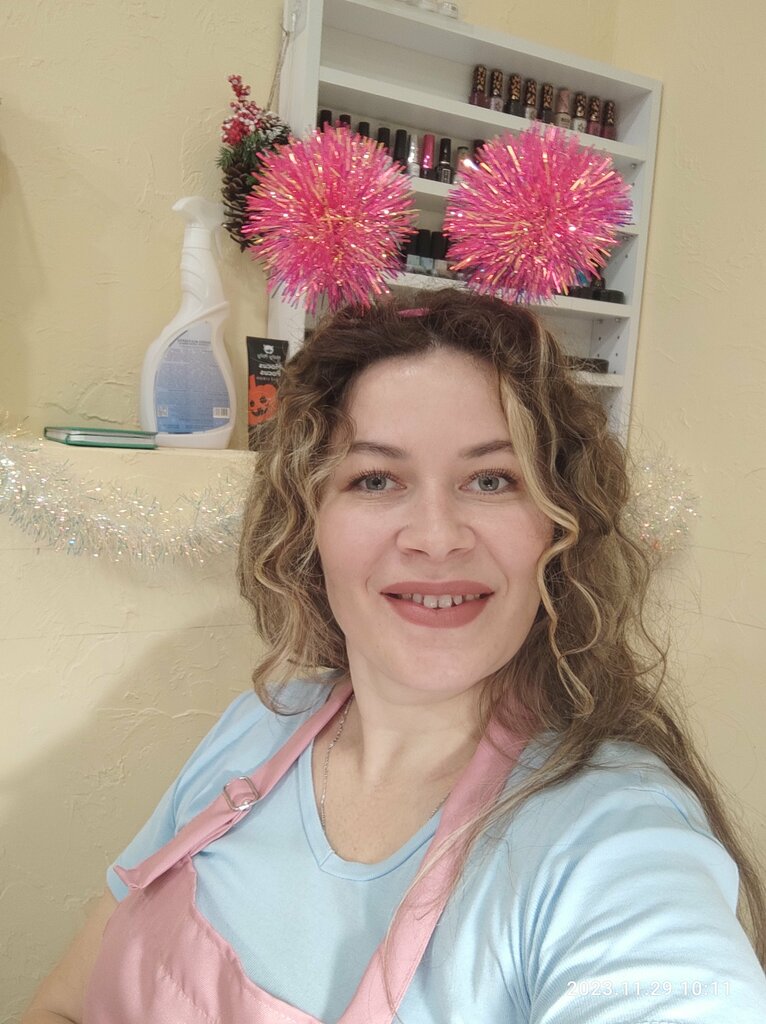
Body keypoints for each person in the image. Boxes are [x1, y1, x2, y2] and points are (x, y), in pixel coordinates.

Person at [24, 288, 766, 1023]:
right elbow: (62, 1005)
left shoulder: (612, 833)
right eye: (375, 480)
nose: (436, 538)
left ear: (559, 525)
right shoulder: (255, 728)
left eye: (492, 480)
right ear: (308, 522)